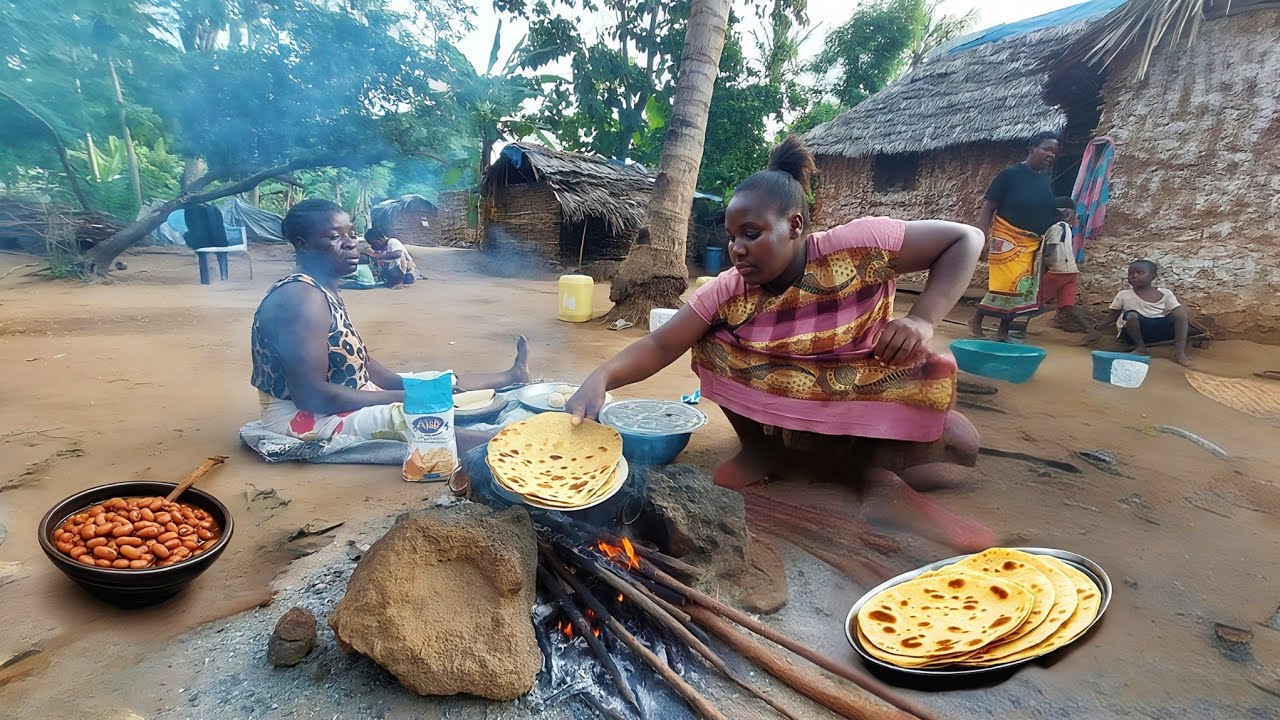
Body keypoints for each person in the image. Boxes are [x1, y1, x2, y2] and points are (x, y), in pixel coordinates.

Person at [566, 137, 994, 552]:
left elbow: (966, 239)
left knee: (963, 443)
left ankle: (878, 477)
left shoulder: (860, 245)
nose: (737, 249)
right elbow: (663, 345)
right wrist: (602, 376)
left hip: (867, 381)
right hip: (800, 391)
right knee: (709, 342)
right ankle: (763, 451)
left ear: (794, 225)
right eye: (732, 237)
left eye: (751, 234)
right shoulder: (729, 290)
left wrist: (922, 319)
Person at [250, 199, 528, 451]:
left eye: (352, 234)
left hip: (344, 396)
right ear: (303, 244)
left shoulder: (323, 289)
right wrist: (402, 398)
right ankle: (516, 445)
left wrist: (413, 385)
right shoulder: (301, 298)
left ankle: (511, 376)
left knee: (432, 381)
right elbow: (310, 396)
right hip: (301, 416)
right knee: (405, 418)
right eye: (335, 237)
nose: (351, 244)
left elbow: (361, 362)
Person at [968, 131, 1062, 341]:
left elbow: (1046, 208)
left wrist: (1062, 217)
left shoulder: (1044, 180)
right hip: (1007, 238)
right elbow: (988, 206)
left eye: (1054, 152)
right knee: (1004, 285)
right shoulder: (1010, 175)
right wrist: (982, 236)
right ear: (1032, 148)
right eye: (1046, 149)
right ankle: (976, 319)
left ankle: (1003, 329)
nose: (1051, 155)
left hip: (1032, 243)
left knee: (1022, 288)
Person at [1096, 259, 1204, 366]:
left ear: (1152, 276)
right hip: (1134, 333)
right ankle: (1140, 348)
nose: (1134, 276)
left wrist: (1199, 327)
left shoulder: (1165, 293)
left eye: (1140, 273)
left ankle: (1180, 353)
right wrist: (1098, 326)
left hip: (1160, 330)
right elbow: (1113, 315)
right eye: (1131, 274)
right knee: (1132, 315)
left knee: (1180, 311)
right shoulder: (1123, 294)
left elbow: (1180, 313)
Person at [1029, 197, 1099, 341]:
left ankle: (1015, 328)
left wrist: (1041, 270)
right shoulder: (1067, 228)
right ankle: (1090, 331)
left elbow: (1052, 249)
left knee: (1032, 301)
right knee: (1067, 306)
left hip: (1057, 270)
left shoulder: (1056, 227)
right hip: (1071, 271)